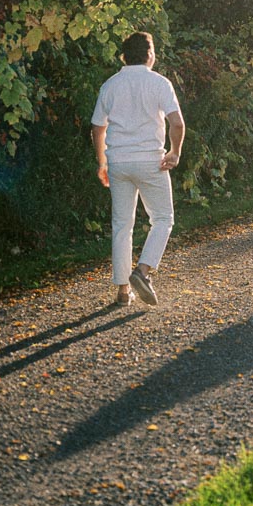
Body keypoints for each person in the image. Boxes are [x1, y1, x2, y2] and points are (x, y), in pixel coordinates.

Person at [91, 31, 185, 308]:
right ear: (150, 55)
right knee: (163, 218)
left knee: (122, 225)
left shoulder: (110, 85)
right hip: (151, 161)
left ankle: (123, 291)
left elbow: (98, 127)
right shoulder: (159, 83)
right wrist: (175, 152)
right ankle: (142, 272)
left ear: (124, 56)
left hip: (118, 162)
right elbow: (177, 123)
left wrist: (102, 163)